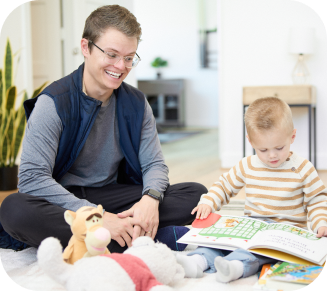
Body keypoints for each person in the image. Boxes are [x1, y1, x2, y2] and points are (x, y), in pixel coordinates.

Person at [0, 5, 207, 253]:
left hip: (114, 195)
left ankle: (99, 241)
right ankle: (148, 239)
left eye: (129, 58)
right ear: (85, 47)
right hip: (64, 201)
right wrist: (96, 216)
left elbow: (154, 164)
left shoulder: (137, 103)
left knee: (196, 195)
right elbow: (32, 179)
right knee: (14, 209)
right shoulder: (53, 102)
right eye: (111, 54)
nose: (121, 66)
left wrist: (150, 199)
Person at [175, 97, 327, 282]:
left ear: (292, 137)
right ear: (251, 141)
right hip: (252, 227)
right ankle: (198, 261)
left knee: (261, 254)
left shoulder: (303, 168)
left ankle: (235, 267)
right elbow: (224, 186)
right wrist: (208, 201)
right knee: (221, 240)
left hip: (285, 234)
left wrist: (321, 223)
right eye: (262, 150)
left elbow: (317, 200)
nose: (272, 155)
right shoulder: (247, 165)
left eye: (279, 147)